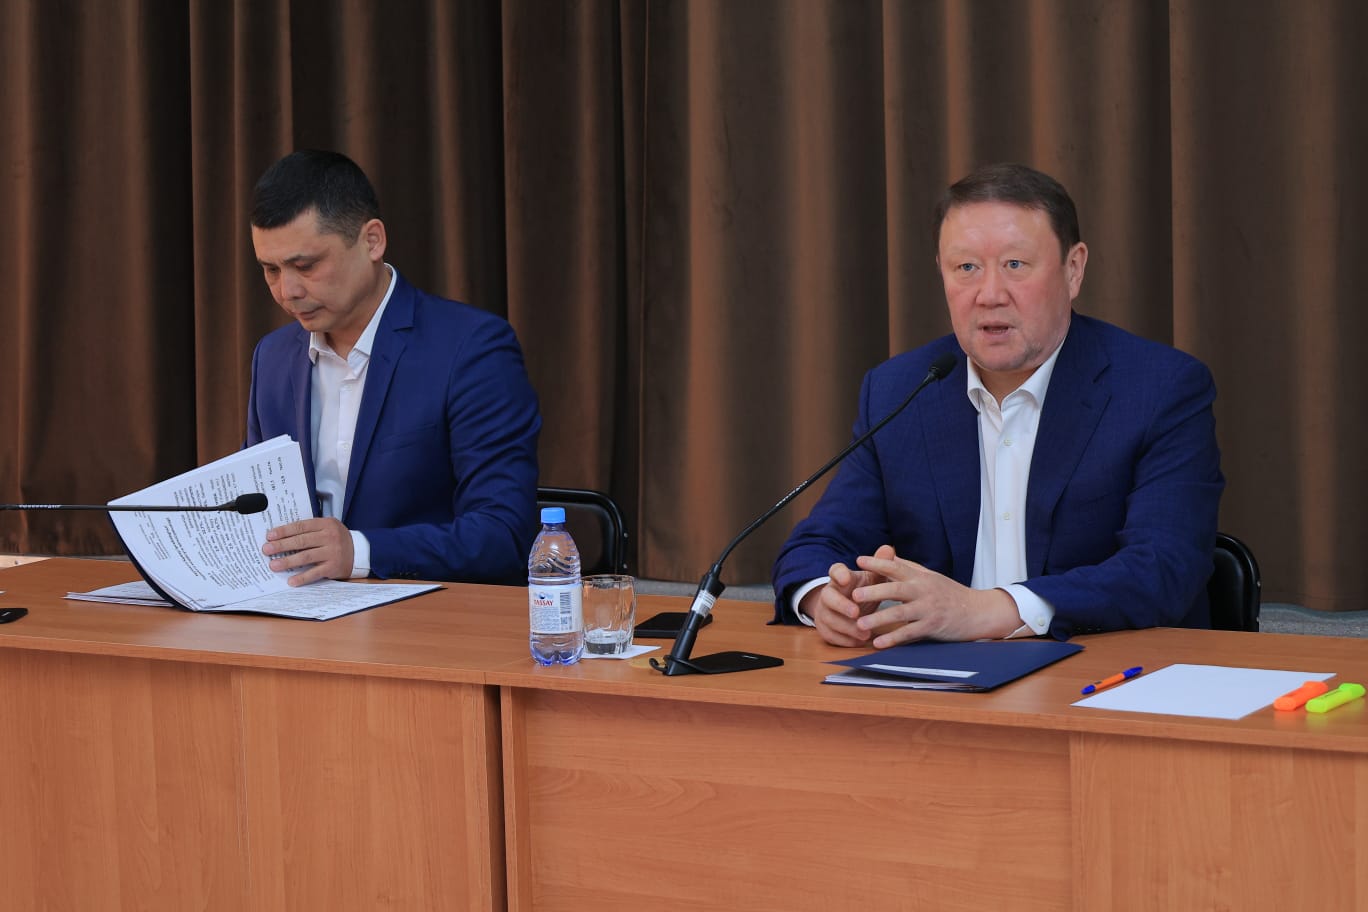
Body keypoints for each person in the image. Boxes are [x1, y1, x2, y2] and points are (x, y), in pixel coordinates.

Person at [772, 162, 1223, 645]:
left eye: (1015, 265)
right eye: (966, 268)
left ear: (1073, 270)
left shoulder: (1160, 388)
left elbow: (1164, 566)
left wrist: (990, 610)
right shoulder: (899, 390)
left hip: (1109, 670)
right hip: (940, 680)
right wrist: (826, 598)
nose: (989, 295)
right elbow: (818, 544)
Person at [245, 149, 541, 585]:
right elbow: (258, 509)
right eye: (270, 270)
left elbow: (503, 533)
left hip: (430, 612)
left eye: (305, 266)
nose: (287, 291)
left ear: (372, 241)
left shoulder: (470, 348)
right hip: (300, 610)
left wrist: (360, 552)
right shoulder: (272, 357)